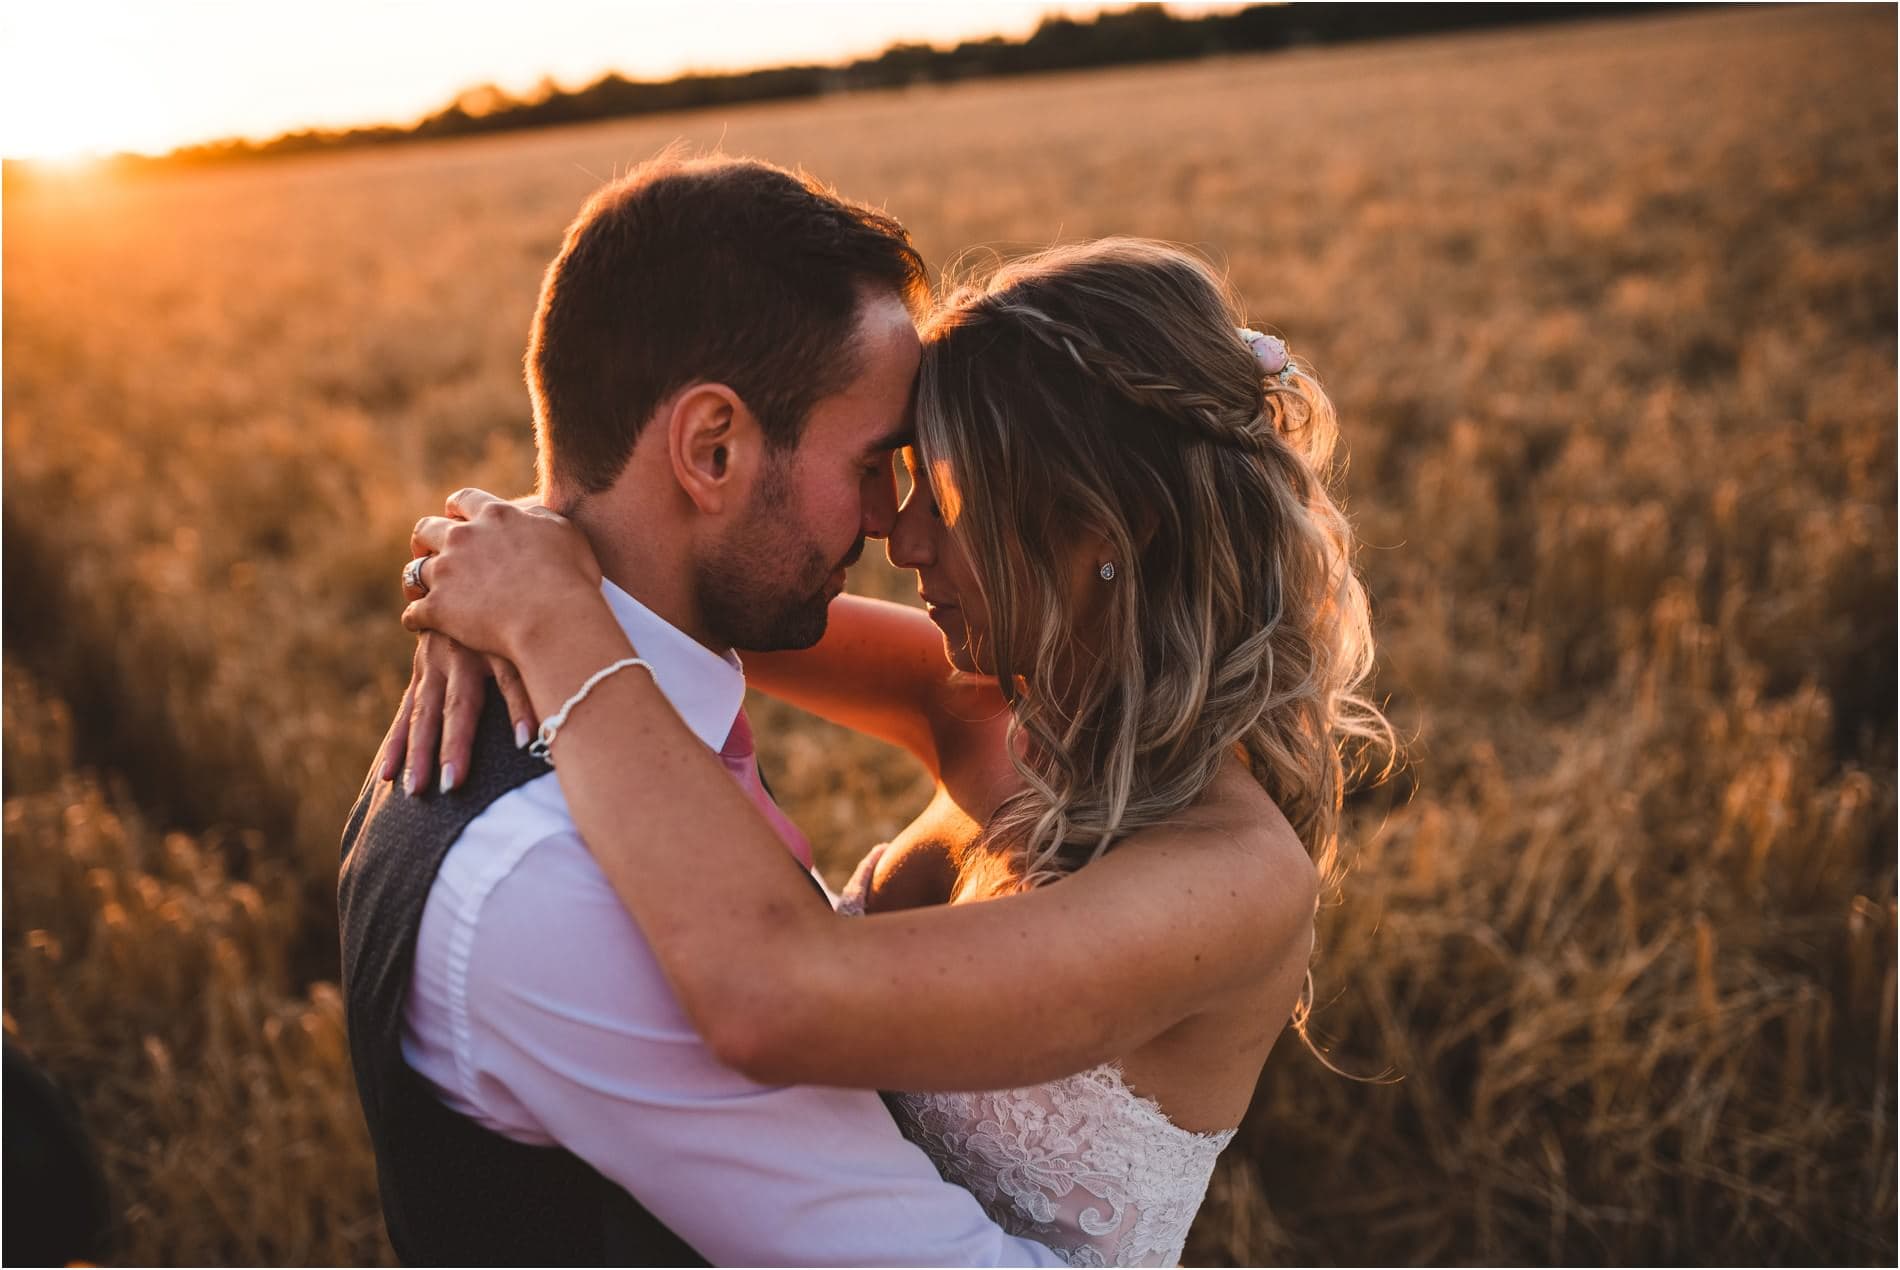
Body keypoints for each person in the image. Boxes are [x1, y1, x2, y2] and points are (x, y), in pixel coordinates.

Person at [390, 237, 1394, 1266]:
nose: (900, 538)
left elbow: (776, 994)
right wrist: (496, 566)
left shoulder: (1229, 881)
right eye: (890, 475)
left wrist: (555, 627)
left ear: (1107, 529)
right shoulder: (987, 704)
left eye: (948, 497)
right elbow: (694, 574)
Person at [338, 154, 1072, 1267]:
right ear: (712, 447)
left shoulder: (580, 691)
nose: (890, 521)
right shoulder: (562, 879)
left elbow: (950, 688)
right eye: (874, 463)